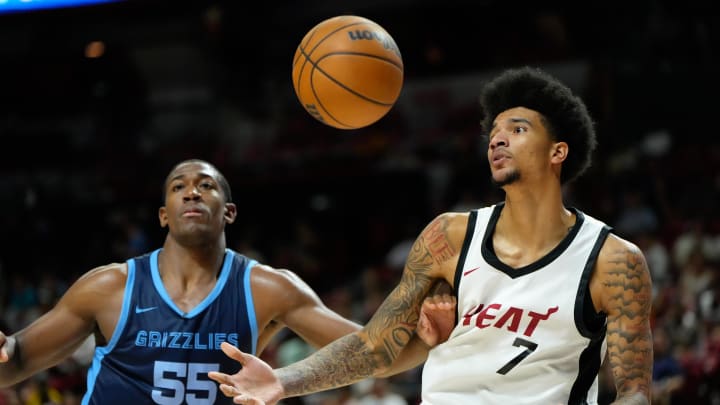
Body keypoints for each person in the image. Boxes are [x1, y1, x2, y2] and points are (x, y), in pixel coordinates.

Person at [208, 66, 654, 405]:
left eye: (517, 130)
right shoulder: (449, 236)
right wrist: (283, 381)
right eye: (493, 133)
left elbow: (634, 391)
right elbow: (378, 346)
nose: (497, 140)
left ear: (558, 152)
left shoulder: (612, 261)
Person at [0, 159, 452, 404]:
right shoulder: (108, 287)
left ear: (229, 212)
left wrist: (426, 342)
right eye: (179, 187)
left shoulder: (269, 289)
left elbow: (372, 353)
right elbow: (16, 360)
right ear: (164, 215)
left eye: (206, 186)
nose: (191, 191)